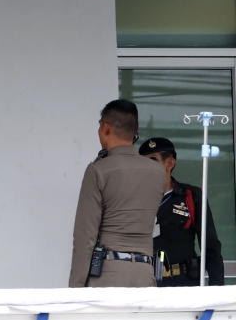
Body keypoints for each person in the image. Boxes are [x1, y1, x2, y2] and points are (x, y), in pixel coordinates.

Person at [68, 99, 164, 288]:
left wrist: (76, 289)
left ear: (105, 127)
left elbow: (85, 237)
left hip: (107, 277)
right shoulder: (158, 172)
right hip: (145, 276)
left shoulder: (98, 170)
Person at [139, 137, 224, 286]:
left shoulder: (191, 195)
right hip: (144, 282)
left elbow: (211, 246)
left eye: (152, 161)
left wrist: (215, 290)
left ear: (170, 163)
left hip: (183, 282)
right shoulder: (133, 197)